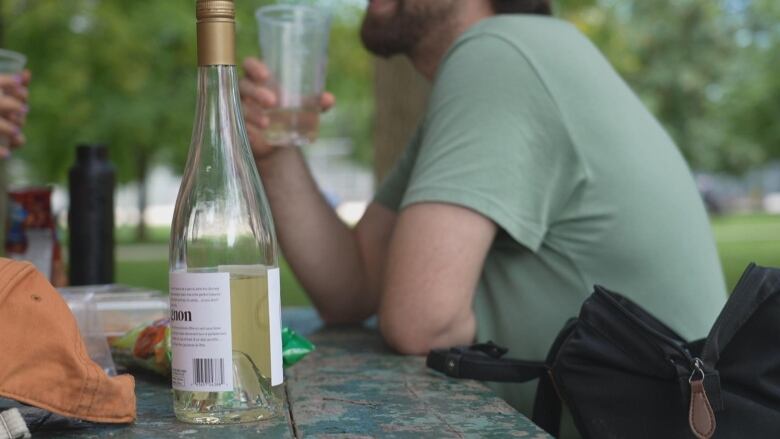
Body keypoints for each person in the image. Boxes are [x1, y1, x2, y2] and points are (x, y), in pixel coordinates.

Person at [239, 0, 727, 426]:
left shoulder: (497, 54)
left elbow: (420, 323)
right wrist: (275, 153)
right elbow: (352, 287)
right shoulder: (497, 62)